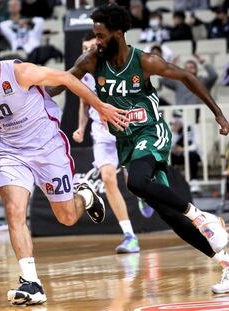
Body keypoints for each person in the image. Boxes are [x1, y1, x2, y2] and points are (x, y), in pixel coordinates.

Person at [0, 32, 128, 305]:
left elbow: (68, 79)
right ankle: (31, 281)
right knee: (14, 211)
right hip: (12, 153)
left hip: (47, 147)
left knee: (67, 217)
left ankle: (85, 195)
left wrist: (100, 107)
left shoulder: (21, 72)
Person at [47, 4, 229, 294]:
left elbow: (186, 77)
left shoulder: (144, 61)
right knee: (169, 215)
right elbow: (63, 83)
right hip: (127, 142)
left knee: (136, 182)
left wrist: (218, 114)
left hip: (151, 132)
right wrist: (33, 86)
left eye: (101, 35)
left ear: (118, 33)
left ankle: (200, 215)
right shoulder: (92, 60)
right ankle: (226, 263)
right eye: (95, 35)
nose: (97, 41)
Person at [73, 36, 140, 253]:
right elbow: (83, 104)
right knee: (108, 178)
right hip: (100, 132)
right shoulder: (82, 74)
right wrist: (81, 127)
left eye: (90, 47)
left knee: (135, 183)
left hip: (124, 127)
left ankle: (144, 197)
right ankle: (129, 235)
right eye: (83, 47)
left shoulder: (117, 66)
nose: (87, 51)